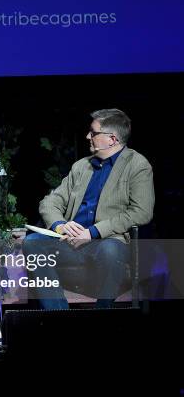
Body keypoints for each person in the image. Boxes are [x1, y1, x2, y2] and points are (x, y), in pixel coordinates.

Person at [23, 109, 154, 309]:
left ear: (112, 139)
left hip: (106, 241)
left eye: (93, 133)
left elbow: (141, 211)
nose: (87, 137)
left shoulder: (137, 165)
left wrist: (92, 232)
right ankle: (58, 314)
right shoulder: (81, 167)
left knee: (111, 251)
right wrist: (60, 226)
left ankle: (101, 316)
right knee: (32, 243)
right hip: (69, 240)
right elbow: (50, 202)